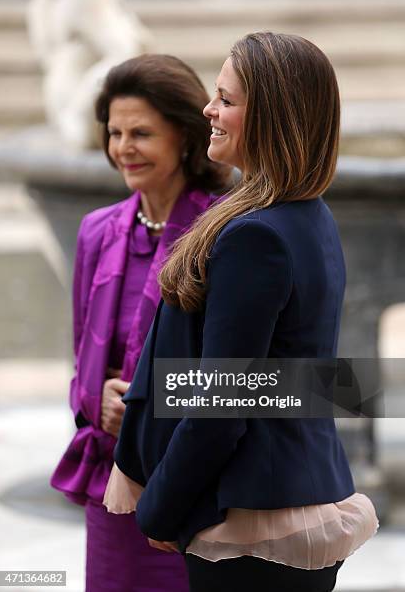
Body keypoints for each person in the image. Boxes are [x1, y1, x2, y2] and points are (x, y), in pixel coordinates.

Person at [104, 33, 379, 592]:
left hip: (252, 518)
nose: (209, 109)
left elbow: (224, 400)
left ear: (273, 115)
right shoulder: (304, 214)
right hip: (283, 495)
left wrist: (162, 506)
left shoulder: (257, 233)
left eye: (226, 99)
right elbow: (292, 378)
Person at [50, 53, 229, 592]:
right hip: (114, 484)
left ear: (185, 135)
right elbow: (83, 361)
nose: (124, 148)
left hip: (199, 493)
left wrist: (150, 401)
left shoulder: (226, 230)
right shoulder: (96, 231)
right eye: (115, 132)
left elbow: (257, 376)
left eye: (142, 133)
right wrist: (97, 395)